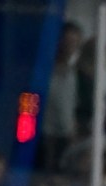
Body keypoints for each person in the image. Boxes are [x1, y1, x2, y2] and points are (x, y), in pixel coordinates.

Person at [38, 20, 83, 173]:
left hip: (65, 138)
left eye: (74, 43)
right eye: (66, 42)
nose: (69, 48)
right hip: (44, 136)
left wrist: (73, 130)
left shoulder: (72, 74)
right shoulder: (42, 71)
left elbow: (71, 104)